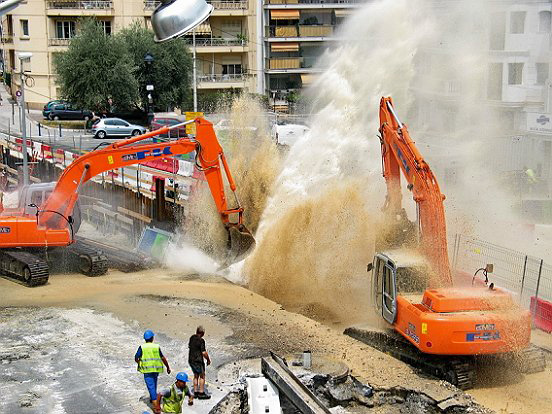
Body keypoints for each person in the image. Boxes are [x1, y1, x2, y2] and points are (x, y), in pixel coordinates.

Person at [135, 330, 171, 414]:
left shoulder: (142, 347)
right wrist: (168, 367)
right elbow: (162, 358)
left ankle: (157, 408)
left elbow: (136, 358)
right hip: (156, 369)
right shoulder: (156, 346)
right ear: (152, 338)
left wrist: (140, 363)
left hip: (147, 370)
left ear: (145, 339)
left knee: (151, 387)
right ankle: (153, 399)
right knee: (154, 384)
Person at [188, 325, 211, 399]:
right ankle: (201, 393)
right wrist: (208, 359)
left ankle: (195, 392)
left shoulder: (192, 338)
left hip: (191, 360)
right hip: (198, 361)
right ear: (202, 333)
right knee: (202, 376)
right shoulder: (201, 341)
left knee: (195, 375)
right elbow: (203, 352)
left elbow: (190, 347)